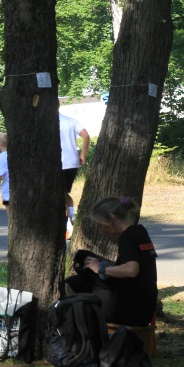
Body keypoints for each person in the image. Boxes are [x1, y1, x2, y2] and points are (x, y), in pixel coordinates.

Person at [62, 196, 158, 327]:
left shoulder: (127, 237)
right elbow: (131, 266)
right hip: (145, 306)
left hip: (132, 311)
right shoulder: (139, 232)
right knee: (82, 283)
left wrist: (100, 268)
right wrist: (99, 261)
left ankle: (86, 336)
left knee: (72, 284)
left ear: (112, 217)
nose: (101, 229)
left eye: (101, 224)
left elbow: (132, 270)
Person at [59, 113, 90, 222]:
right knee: (64, 192)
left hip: (59, 163)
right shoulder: (71, 121)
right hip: (72, 162)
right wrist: (82, 155)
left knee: (59, 193)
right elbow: (86, 135)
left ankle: (67, 219)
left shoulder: (47, 122)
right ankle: (72, 214)